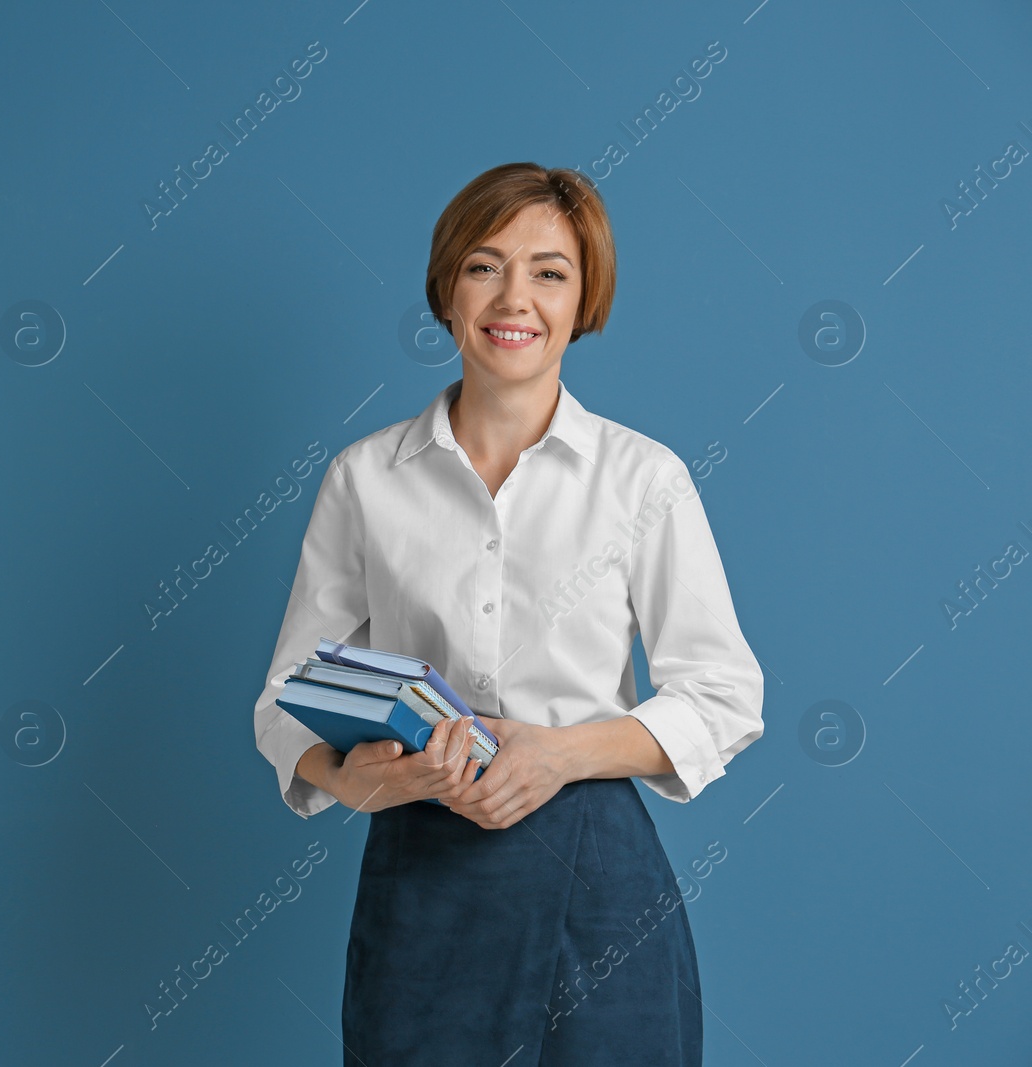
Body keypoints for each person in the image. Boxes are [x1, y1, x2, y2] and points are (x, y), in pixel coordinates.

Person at [250, 162, 765, 1065]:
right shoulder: (365, 477)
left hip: (599, 875)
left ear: (583, 301)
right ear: (448, 291)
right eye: (485, 265)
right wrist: (349, 779)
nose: (513, 297)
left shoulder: (644, 478)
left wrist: (559, 753)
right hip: (420, 870)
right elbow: (289, 694)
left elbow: (725, 696)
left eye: (549, 271)